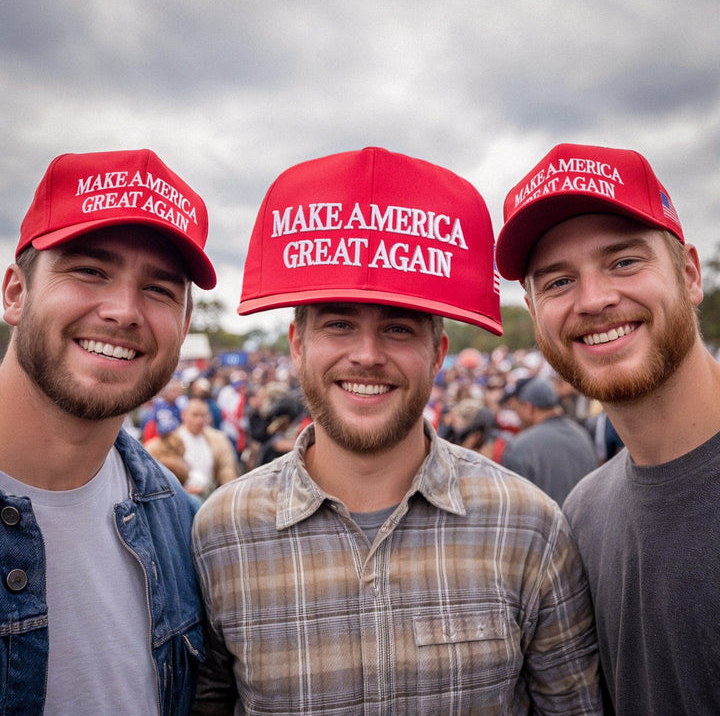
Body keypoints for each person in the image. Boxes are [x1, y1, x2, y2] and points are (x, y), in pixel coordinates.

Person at [191, 147, 602, 714]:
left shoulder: (528, 527)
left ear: (437, 354)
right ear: (297, 344)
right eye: (339, 324)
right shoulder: (221, 532)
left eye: (398, 329)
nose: (367, 355)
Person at [496, 142, 720, 714]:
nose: (594, 300)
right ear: (535, 310)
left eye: (623, 262)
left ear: (690, 274)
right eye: (557, 282)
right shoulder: (582, 514)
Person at [0, 148, 217, 715]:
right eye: (90, 270)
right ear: (15, 293)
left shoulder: (180, 523)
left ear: (184, 326)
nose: (124, 311)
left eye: (160, 289)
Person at [501, 377, 598, 504]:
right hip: (585, 521)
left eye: (518, 409)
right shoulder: (581, 434)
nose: (518, 415)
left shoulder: (520, 447)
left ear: (529, 407)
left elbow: (517, 508)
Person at [176, 396, 239, 500]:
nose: (199, 420)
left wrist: (230, 495)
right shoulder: (173, 440)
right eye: (195, 415)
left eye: (203, 415)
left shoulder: (219, 439)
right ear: (184, 415)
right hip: (183, 497)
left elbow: (227, 472)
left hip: (210, 495)